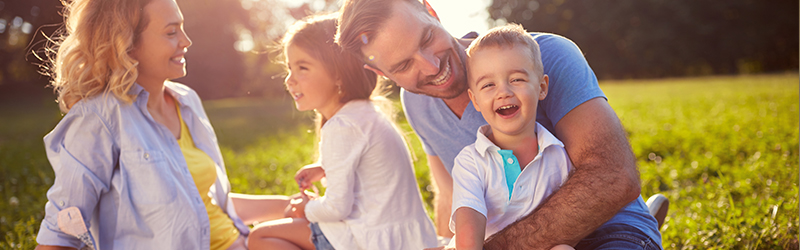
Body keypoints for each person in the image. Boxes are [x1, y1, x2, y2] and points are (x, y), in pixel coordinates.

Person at [336, 0, 663, 249]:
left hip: (607, 231)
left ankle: (648, 216)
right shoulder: (416, 103)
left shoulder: (545, 54)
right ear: (383, 75)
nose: (433, 66)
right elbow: (450, 196)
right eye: (405, 64)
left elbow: (612, 178)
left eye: (426, 39)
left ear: (430, 11)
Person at [35, 0, 291, 249]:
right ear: (126, 44)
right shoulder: (98, 119)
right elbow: (61, 233)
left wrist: (290, 205)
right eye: (171, 32)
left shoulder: (186, 101)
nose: (186, 41)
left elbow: (204, 203)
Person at [245, 14, 437, 250]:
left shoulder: (342, 126)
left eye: (302, 68)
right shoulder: (365, 114)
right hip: (407, 238)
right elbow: (368, 171)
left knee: (260, 237)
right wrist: (324, 168)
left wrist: (305, 208)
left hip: (370, 240)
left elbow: (337, 208)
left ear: (338, 74)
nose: (289, 80)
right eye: (289, 68)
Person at [448, 23, 574, 250]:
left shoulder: (558, 154)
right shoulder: (471, 162)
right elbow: (469, 224)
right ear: (475, 100)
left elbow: (567, 219)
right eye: (488, 85)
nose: (503, 92)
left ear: (541, 87)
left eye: (516, 79)